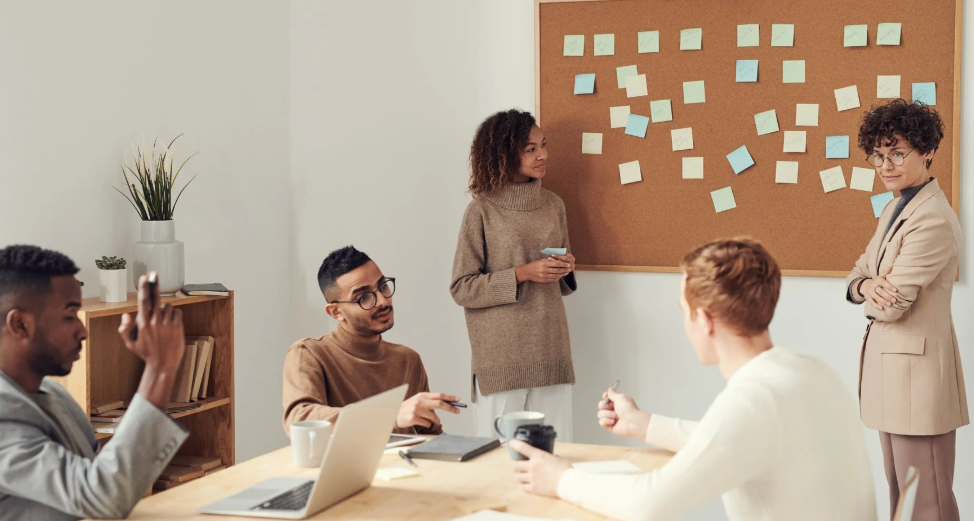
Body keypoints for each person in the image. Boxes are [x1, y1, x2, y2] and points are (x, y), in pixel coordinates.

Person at [510, 238, 877, 521]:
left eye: (684, 312)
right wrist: (645, 425)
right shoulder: (808, 370)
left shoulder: (754, 400)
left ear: (705, 320)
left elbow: (647, 503)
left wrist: (561, 478)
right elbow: (732, 441)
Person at [0, 245, 189, 520]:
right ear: (19, 324)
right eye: (69, 316)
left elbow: (105, 477)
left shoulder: (53, 393)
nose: (83, 330)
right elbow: (102, 498)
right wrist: (160, 369)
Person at [846, 99, 966, 521]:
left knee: (927, 503)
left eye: (897, 153)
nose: (885, 164)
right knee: (903, 500)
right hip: (893, 379)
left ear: (928, 150)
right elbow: (857, 275)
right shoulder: (895, 208)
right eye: (879, 154)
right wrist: (867, 285)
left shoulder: (931, 218)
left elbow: (894, 304)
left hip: (917, 382)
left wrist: (874, 290)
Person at [451, 109, 577, 441]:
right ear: (503, 152)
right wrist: (522, 273)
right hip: (501, 359)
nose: (543, 155)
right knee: (497, 458)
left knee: (557, 453)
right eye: (530, 148)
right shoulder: (481, 209)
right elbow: (462, 288)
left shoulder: (553, 205)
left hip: (551, 348)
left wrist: (564, 268)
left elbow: (559, 283)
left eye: (543, 145)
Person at [283, 246, 459, 435]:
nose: (383, 301)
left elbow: (431, 438)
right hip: (345, 465)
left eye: (383, 286)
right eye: (364, 297)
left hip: (405, 464)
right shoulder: (309, 353)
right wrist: (388, 416)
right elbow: (299, 419)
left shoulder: (408, 359)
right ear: (336, 312)